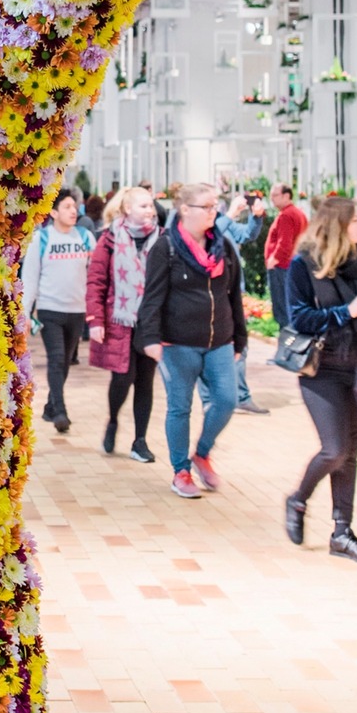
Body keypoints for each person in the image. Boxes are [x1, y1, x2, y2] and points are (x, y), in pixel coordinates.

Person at [138, 182, 247, 499]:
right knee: (179, 408)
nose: (215, 212)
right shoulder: (166, 248)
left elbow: (233, 296)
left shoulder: (222, 246)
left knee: (227, 400)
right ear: (185, 209)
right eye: (208, 206)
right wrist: (151, 338)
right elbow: (152, 298)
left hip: (220, 341)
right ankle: (181, 471)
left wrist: (239, 339)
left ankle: (202, 453)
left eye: (216, 206)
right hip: (177, 344)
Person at [284, 197, 357, 563]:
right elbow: (299, 319)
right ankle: (298, 500)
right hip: (321, 369)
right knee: (335, 449)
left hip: (356, 367)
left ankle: (341, 532)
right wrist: (347, 311)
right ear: (338, 225)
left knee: (351, 453)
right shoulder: (303, 266)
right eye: (356, 221)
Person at [86, 186, 161, 462]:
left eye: (151, 206)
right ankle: (113, 419)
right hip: (120, 319)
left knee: (145, 380)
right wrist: (95, 319)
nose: (149, 211)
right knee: (122, 378)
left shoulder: (161, 239)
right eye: (143, 206)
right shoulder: (109, 240)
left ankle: (140, 441)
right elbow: (96, 281)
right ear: (127, 209)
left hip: (150, 322)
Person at [21, 187, 95, 432]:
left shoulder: (85, 238)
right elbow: (30, 279)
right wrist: (26, 314)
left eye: (74, 207)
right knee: (56, 359)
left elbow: (94, 276)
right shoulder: (41, 239)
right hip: (49, 309)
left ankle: (50, 406)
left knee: (64, 363)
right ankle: (60, 412)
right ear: (53, 212)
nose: (73, 211)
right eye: (67, 207)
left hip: (77, 310)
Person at [211, 192, 269, 415]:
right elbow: (212, 237)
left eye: (215, 203)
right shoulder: (198, 227)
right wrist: (233, 213)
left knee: (238, 346)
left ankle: (240, 396)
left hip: (233, 293)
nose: (214, 206)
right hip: (212, 295)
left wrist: (257, 217)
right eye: (210, 203)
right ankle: (222, 398)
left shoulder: (221, 219)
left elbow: (247, 235)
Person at [265, 182, 309, 330]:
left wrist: (273, 259)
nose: (272, 199)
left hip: (282, 267)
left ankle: (287, 344)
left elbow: (284, 243)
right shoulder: (298, 213)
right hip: (292, 266)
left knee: (282, 308)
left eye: (275, 195)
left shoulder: (287, 215)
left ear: (286, 196)